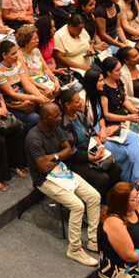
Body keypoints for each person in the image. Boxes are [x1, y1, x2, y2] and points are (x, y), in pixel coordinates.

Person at [24, 101, 101, 266]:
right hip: (44, 179)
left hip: (60, 170)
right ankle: (74, 249)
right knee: (77, 206)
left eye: (60, 114)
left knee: (94, 196)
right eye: (56, 116)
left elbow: (68, 150)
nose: (60, 118)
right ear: (45, 118)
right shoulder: (33, 138)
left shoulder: (55, 127)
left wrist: (54, 156)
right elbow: (43, 167)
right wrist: (58, 156)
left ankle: (93, 240)